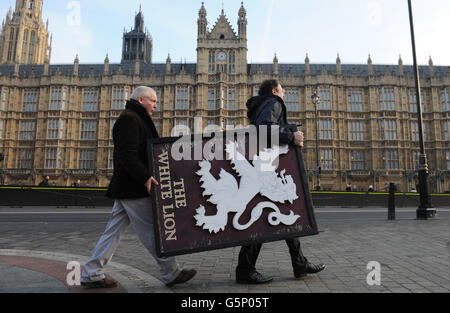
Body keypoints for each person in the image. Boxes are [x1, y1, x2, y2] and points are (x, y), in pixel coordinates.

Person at [80, 86, 196, 289]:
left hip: (128, 186)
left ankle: (91, 273)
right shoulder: (130, 119)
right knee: (153, 230)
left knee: (113, 232)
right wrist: (145, 177)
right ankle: (170, 272)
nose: (155, 106)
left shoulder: (135, 117)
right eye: (153, 102)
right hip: (133, 186)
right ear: (141, 100)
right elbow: (127, 154)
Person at [235, 79, 325, 284]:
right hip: (266, 169)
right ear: (275, 91)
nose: (284, 95)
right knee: (264, 218)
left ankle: (299, 263)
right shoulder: (274, 103)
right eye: (283, 91)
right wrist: (291, 136)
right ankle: (245, 269)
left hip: (266, 167)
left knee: (284, 213)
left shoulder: (262, 105)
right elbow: (265, 129)